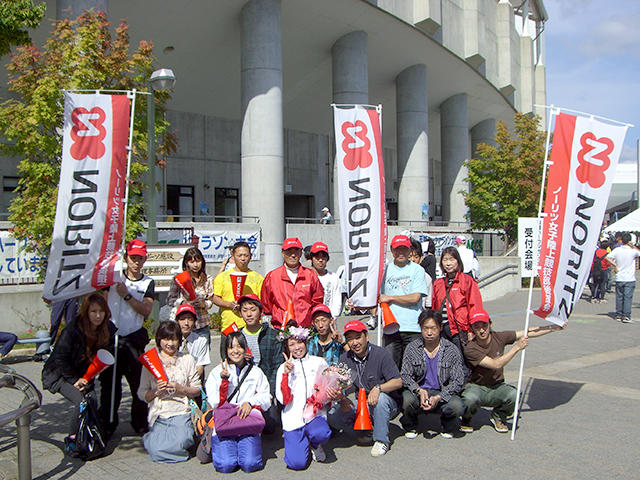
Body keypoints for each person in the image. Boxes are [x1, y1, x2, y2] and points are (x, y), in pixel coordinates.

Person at [461, 309, 563, 433]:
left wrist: (552, 327)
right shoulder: (470, 348)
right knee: (468, 398)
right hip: (476, 387)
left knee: (514, 395)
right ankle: (467, 417)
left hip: (497, 386)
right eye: (477, 327)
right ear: (472, 328)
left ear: (490, 324)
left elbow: (527, 332)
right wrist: (517, 348)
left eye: (484, 325)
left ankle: (499, 416)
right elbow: (495, 364)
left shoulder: (499, 337)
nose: (481, 330)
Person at [42, 293, 115, 440]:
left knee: (92, 400)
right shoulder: (73, 329)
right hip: (59, 374)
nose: (98, 316)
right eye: (93, 311)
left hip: (83, 375)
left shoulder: (107, 328)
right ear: (86, 312)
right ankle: (73, 438)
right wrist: (75, 379)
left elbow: (106, 352)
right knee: (81, 401)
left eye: (101, 311)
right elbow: (60, 358)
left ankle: (89, 434)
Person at [100, 239, 154, 436]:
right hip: (112, 339)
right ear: (126, 258)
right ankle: (107, 423)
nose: (136, 262)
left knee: (138, 385)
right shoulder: (113, 280)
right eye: (133, 258)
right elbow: (102, 306)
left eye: (140, 258)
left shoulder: (148, 282)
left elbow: (146, 310)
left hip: (134, 340)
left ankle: (139, 423)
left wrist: (127, 296)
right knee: (109, 385)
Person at [328, 320, 402, 457]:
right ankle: (366, 430)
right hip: (362, 405)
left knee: (380, 399)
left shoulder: (381, 354)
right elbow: (341, 385)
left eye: (358, 337)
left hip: (386, 404)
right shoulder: (345, 358)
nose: (354, 342)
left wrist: (379, 388)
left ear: (366, 337)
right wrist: (341, 397)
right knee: (333, 415)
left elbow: (398, 381)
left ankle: (381, 440)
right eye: (350, 339)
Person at [205, 331, 272, 473]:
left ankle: (241, 448)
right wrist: (224, 382)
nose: (235, 351)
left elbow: (267, 397)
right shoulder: (217, 372)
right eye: (231, 347)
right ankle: (224, 448)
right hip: (225, 425)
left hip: (247, 424)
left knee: (250, 464)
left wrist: (250, 402)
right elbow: (215, 403)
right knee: (226, 465)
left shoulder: (255, 372)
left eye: (239, 347)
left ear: (245, 348)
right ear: (226, 350)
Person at [138, 321, 201, 463]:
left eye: (174, 339)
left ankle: (165, 446)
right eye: (166, 339)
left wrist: (181, 389)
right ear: (159, 340)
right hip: (160, 412)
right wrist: (156, 392)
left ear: (179, 340)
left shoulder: (187, 359)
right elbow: (142, 394)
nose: (170, 343)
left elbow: (197, 389)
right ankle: (153, 442)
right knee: (156, 451)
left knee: (182, 440)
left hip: (181, 411)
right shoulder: (151, 362)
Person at [400, 310, 465, 439]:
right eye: (425, 328)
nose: (429, 333)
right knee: (406, 399)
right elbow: (405, 375)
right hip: (420, 392)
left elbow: (458, 380)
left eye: (433, 328)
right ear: (420, 329)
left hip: (442, 392)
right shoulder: (412, 348)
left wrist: (439, 397)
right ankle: (411, 424)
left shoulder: (451, 349)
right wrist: (418, 390)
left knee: (457, 405)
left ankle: (447, 425)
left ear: (440, 328)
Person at [276, 324, 332, 469]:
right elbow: (284, 400)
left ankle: (315, 443)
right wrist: (286, 375)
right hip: (293, 419)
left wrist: (326, 398)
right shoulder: (283, 368)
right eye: (292, 344)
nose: (297, 347)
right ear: (287, 348)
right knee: (297, 464)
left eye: (300, 342)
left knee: (322, 433)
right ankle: (300, 443)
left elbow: (328, 390)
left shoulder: (319, 362)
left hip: (315, 416)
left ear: (306, 342)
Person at [379, 234, 428, 368]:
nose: (401, 252)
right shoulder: (384, 270)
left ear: (410, 250)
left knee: (412, 369)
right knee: (391, 369)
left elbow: (415, 298)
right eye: (397, 249)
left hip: (413, 328)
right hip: (390, 328)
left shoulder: (418, 270)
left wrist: (390, 298)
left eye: (404, 249)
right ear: (392, 250)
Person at [237, 293, 284, 434]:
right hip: (244, 388)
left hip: (265, 387)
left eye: (253, 309)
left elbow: (277, 366)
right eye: (244, 310)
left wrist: (269, 393)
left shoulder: (273, 335)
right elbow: (228, 366)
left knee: (270, 426)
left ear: (261, 312)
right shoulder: (235, 336)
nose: (249, 314)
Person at [261, 237, 324, 328]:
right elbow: (266, 306)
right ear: (282, 253)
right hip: (280, 330)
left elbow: (317, 302)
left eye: (296, 251)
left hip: (305, 330)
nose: (293, 255)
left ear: (301, 253)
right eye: (289, 252)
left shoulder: (310, 275)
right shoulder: (272, 277)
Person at [431, 246, 483, 352]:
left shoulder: (467, 280)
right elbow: (434, 306)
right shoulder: (438, 283)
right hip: (442, 328)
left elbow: (475, 305)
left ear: (458, 261)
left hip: (460, 328)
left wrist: (472, 329)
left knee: (461, 361)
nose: (448, 263)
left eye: (451, 259)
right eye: (445, 260)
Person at [213, 241, 264, 336]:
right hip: (229, 326)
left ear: (250, 256)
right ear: (233, 256)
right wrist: (229, 304)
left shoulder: (258, 278)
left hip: (251, 327)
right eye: (239, 255)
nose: (243, 259)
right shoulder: (222, 277)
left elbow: (262, 301)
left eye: (246, 255)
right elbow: (215, 298)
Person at [166, 247, 214, 343]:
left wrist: (204, 304)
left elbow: (211, 300)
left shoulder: (208, 279)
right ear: (186, 263)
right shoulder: (179, 279)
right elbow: (170, 300)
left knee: (202, 355)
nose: (195, 265)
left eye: (198, 261)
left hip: (202, 324)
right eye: (191, 262)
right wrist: (183, 302)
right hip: (183, 326)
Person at [605, 232, 640, 323]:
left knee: (619, 297)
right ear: (629, 241)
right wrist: (633, 246)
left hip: (619, 277)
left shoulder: (617, 250)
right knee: (627, 297)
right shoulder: (633, 251)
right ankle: (626, 315)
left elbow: (607, 257)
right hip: (629, 278)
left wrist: (615, 264)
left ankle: (618, 314)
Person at [175, 304, 210, 381]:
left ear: (194, 322)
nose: (186, 323)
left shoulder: (201, 341)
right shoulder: (171, 340)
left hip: (194, 381)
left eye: (190, 319)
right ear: (177, 321)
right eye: (182, 319)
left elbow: (200, 368)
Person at [309, 242, 343, 317]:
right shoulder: (306, 276)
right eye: (317, 257)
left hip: (328, 320)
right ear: (311, 258)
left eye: (323, 257)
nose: (320, 260)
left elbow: (337, 301)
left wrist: (332, 318)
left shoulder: (334, 277)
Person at [409, 238, 433, 309]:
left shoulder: (426, 278)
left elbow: (428, 304)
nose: (412, 260)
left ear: (421, 257)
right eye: (409, 256)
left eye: (416, 257)